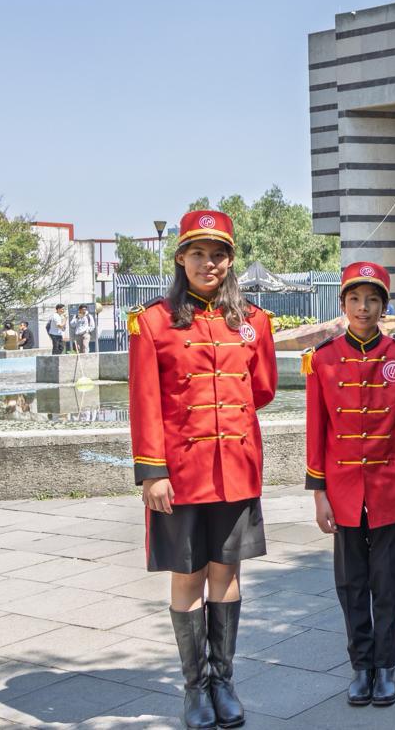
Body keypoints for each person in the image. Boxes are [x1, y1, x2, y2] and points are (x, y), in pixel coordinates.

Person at [128, 210, 277, 730]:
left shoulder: (254, 321)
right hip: (182, 475)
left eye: (218, 254)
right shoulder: (153, 322)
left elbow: (262, 390)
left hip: (235, 469)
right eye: (198, 253)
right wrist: (152, 472)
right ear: (180, 258)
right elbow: (145, 401)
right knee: (188, 578)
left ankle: (224, 681)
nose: (208, 263)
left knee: (226, 576)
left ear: (230, 260)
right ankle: (195, 689)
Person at [304, 262, 395, 708]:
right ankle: (361, 665)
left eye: (372, 299)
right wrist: (319, 493)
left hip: (388, 483)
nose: (363, 307)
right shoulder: (321, 358)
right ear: (343, 305)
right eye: (355, 299)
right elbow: (316, 430)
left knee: (386, 580)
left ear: (384, 306)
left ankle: (387, 663)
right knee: (351, 582)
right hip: (341, 487)